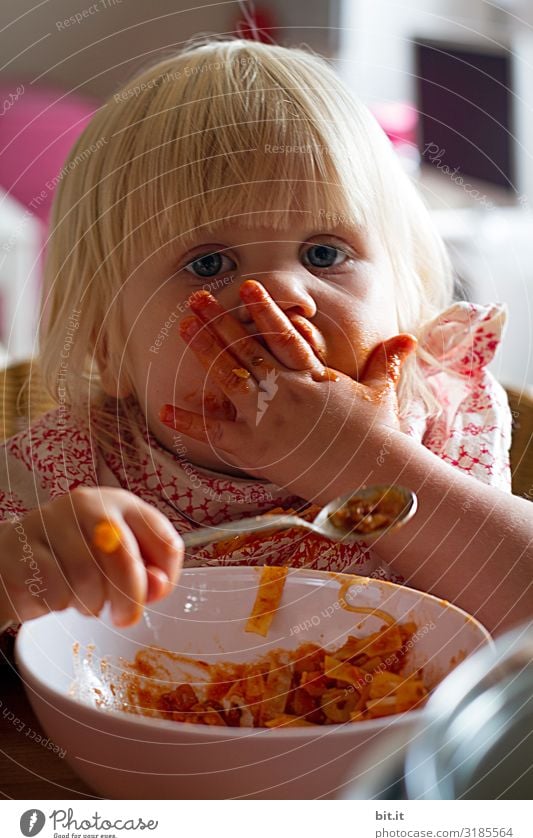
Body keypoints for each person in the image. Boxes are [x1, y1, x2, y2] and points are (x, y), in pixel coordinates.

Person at [0, 38, 530, 642]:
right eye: (207, 265)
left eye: (324, 253)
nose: (280, 294)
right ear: (106, 344)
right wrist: (17, 577)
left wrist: (369, 464)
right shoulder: (70, 470)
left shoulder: (440, 424)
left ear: (405, 305)